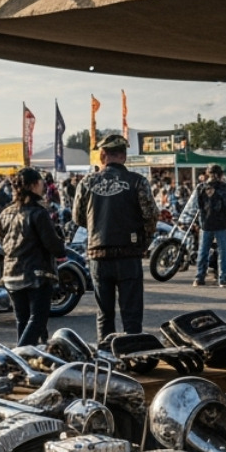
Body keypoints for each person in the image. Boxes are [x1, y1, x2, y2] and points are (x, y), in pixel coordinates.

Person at [74, 134, 158, 340]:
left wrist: (98, 226)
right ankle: (133, 355)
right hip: (129, 254)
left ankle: (105, 357)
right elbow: (151, 216)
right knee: (132, 315)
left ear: (102, 155)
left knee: (104, 313)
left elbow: (78, 217)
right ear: (124, 156)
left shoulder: (87, 182)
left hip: (98, 253)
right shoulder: (137, 181)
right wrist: (143, 242)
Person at [0, 167, 66, 346]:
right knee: (37, 319)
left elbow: (1, 240)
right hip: (35, 275)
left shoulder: (6, 213)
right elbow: (56, 247)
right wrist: (60, 238)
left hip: (10, 274)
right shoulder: (38, 213)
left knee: (23, 319)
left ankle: (27, 359)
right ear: (34, 185)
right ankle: (20, 356)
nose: (43, 185)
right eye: (41, 181)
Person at [193, 163, 226, 288]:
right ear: (220, 174)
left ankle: (199, 278)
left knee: (203, 252)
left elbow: (196, 206)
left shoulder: (200, 187)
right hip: (221, 224)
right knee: (224, 252)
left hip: (206, 224)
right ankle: (223, 279)